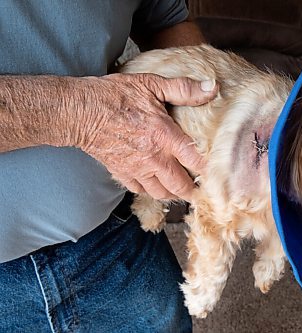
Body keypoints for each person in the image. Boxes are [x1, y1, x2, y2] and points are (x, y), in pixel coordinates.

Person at [0, 1, 218, 332]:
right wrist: (83, 115)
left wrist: (218, 116)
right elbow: (88, 114)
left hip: (118, 238)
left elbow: (165, 18)